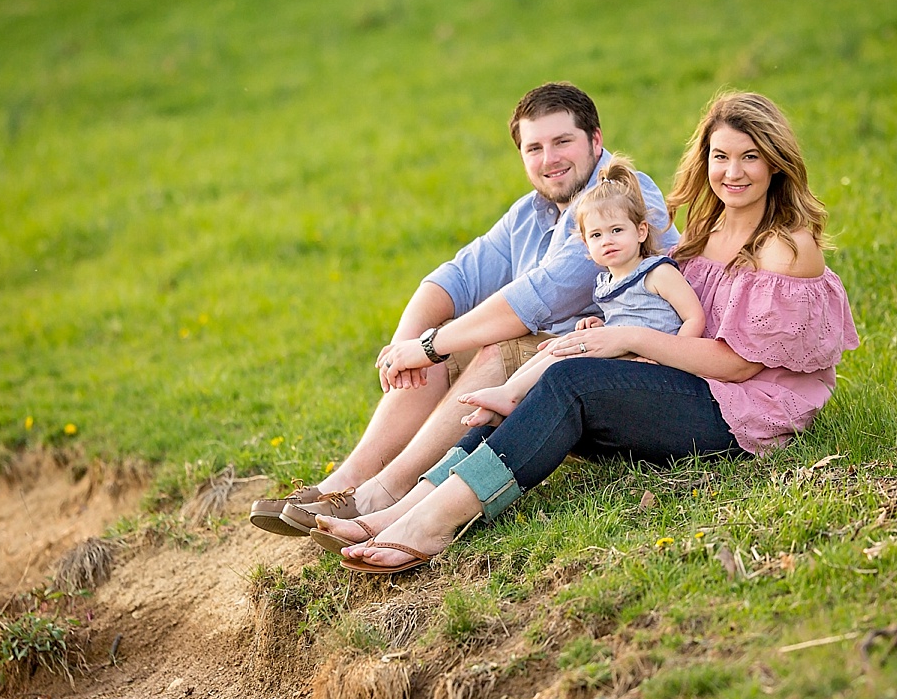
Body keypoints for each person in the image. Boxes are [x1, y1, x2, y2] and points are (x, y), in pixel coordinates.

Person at [316, 91, 861, 574]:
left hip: (739, 417)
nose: (733, 172)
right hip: (685, 384)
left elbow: (741, 364)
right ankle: (400, 510)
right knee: (549, 373)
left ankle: (433, 524)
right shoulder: (706, 229)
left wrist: (628, 342)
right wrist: (607, 329)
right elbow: (663, 311)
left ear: (776, 165)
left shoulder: (785, 247)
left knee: (571, 381)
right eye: (721, 157)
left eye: (750, 157)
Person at [249, 83, 677, 537]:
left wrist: (428, 347)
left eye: (562, 142)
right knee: (442, 337)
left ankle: (381, 496)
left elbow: (539, 298)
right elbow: (457, 277)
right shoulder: (532, 212)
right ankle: (343, 486)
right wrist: (406, 344)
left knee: (492, 348)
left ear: (595, 140)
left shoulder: (621, 200)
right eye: (534, 147)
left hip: (624, 374)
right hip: (562, 362)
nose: (549, 159)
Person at [455, 153, 704, 429]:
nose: (607, 241)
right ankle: (510, 391)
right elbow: (626, 320)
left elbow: (694, 317)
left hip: (656, 363)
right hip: (627, 353)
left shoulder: (657, 272)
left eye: (617, 230)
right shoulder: (606, 283)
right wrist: (600, 324)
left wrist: (672, 359)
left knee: (574, 352)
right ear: (586, 244)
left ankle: (511, 395)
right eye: (596, 235)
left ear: (641, 231)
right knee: (561, 345)